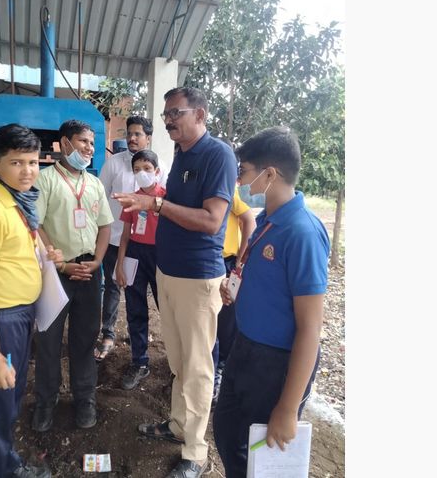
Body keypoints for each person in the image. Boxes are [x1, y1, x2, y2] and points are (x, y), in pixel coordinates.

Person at [113, 87, 237, 478]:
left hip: (198, 279)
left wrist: (157, 205)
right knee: (180, 360)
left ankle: (195, 453)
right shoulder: (181, 154)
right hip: (169, 273)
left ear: (200, 115)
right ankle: (179, 426)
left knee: (198, 366)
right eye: (165, 114)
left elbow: (212, 220)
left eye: (175, 113)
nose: (167, 120)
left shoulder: (218, 155)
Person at [213, 126, 329, 478]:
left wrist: (288, 407)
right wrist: (236, 288)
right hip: (244, 348)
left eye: (244, 173)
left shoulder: (302, 232)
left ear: (270, 174)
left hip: (275, 363)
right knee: (228, 431)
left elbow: (310, 328)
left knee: (261, 456)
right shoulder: (266, 221)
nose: (239, 183)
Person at [0, 124, 64, 478]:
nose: (28, 171)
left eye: (33, 162)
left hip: (20, 318)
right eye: (17, 162)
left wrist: (46, 253)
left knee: (9, 398)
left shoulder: (18, 204)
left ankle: (5, 462)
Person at [32, 119, 113, 432]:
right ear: (64, 144)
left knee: (84, 340)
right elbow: (35, 226)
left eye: (92, 144)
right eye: (83, 142)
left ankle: (84, 398)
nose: (89, 149)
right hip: (56, 273)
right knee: (49, 342)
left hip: (90, 272)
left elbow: (105, 226)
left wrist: (98, 261)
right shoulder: (45, 179)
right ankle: (45, 401)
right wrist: (61, 264)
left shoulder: (93, 184)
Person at [96, 116, 168, 362]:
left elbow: (166, 206)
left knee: (160, 298)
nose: (132, 138)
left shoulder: (160, 166)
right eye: (129, 133)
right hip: (118, 238)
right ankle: (108, 334)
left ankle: (171, 353)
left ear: (148, 137)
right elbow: (99, 196)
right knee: (115, 289)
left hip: (152, 247)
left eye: (138, 134)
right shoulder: (113, 164)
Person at [114, 149, 166, 390]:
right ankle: (140, 361)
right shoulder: (131, 199)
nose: (142, 174)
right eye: (137, 170)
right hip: (135, 253)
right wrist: (120, 264)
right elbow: (125, 234)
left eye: (147, 169)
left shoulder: (166, 198)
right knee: (135, 308)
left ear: (156, 171)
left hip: (162, 255)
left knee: (167, 309)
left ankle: (176, 364)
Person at [210, 185, 255, 404]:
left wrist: (239, 260)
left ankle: (219, 370)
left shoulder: (230, 188)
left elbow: (249, 220)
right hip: (204, 261)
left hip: (225, 262)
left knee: (225, 320)